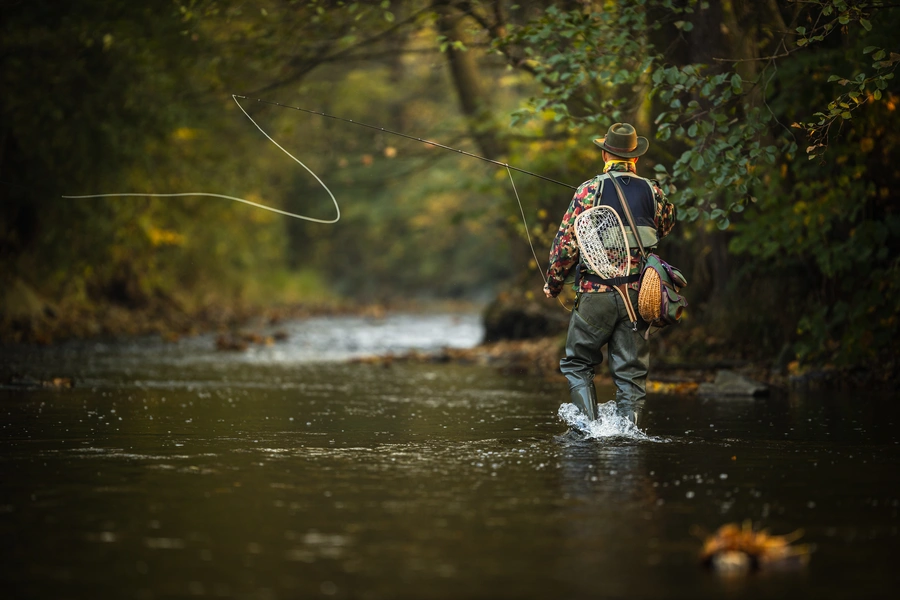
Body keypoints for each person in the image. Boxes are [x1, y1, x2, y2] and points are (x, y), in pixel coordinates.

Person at [543, 123, 676, 428]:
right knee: (631, 375)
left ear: (605, 154)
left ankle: (590, 432)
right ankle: (628, 436)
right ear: (635, 158)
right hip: (639, 297)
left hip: (597, 294)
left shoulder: (588, 190)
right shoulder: (654, 191)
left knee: (578, 363)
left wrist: (554, 283)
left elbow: (566, 246)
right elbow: (666, 226)